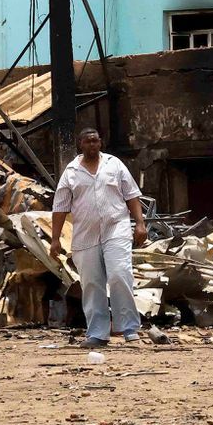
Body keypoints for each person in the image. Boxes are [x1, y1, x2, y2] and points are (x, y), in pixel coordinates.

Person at [50, 128, 147, 346]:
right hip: (85, 235)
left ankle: (129, 328)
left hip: (116, 229)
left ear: (100, 143)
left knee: (119, 275)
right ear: (80, 145)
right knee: (92, 283)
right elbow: (60, 207)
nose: (92, 145)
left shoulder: (114, 164)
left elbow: (132, 195)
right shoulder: (71, 171)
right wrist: (55, 239)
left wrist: (140, 223)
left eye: (95, 141)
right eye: (87, 142)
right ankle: (98, 333)